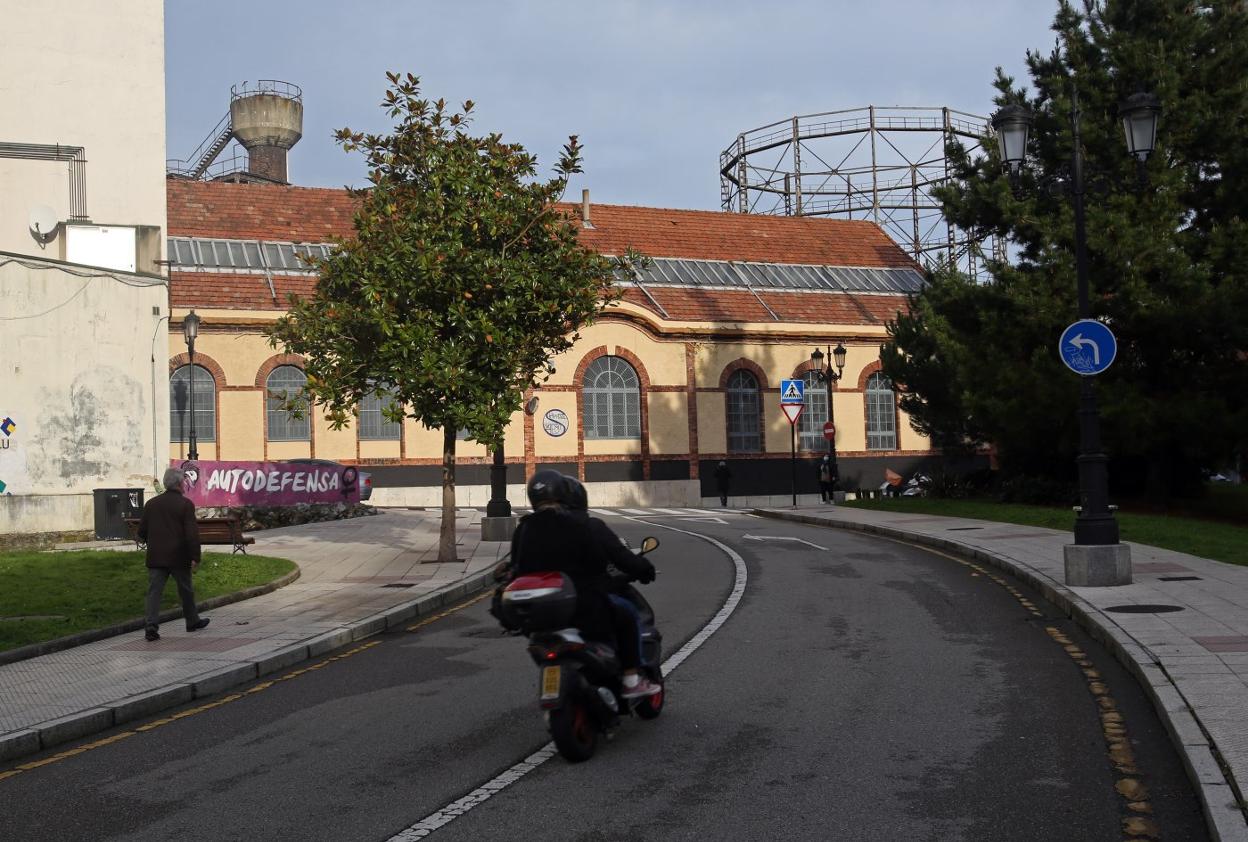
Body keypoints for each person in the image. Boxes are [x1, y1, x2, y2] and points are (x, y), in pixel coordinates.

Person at [510, 471, 659, 698]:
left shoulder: (524, 528)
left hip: (538, 617)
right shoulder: (580, 525)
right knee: (627, 614)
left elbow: (516, 566)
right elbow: (600, 560)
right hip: (584, 606)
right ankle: (631, 679)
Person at [557, 475, 660, 698]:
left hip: (553, 607)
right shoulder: (590, 526)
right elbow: (620, 555)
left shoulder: (538, 530)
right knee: (628, 615)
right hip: (588, 600)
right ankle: (631, 679)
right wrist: (644, 569)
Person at [138, 467, 210, 641]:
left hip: (156, 557)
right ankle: (192, 621)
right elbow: (191, 533)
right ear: (179, 483)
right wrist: (195, 556)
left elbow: (142, 532)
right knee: (185, 590)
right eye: (184, 481)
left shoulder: (151, 504)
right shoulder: (185, 505)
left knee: (154, 592)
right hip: (179, 556)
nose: (185, 484)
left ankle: (151, 627)